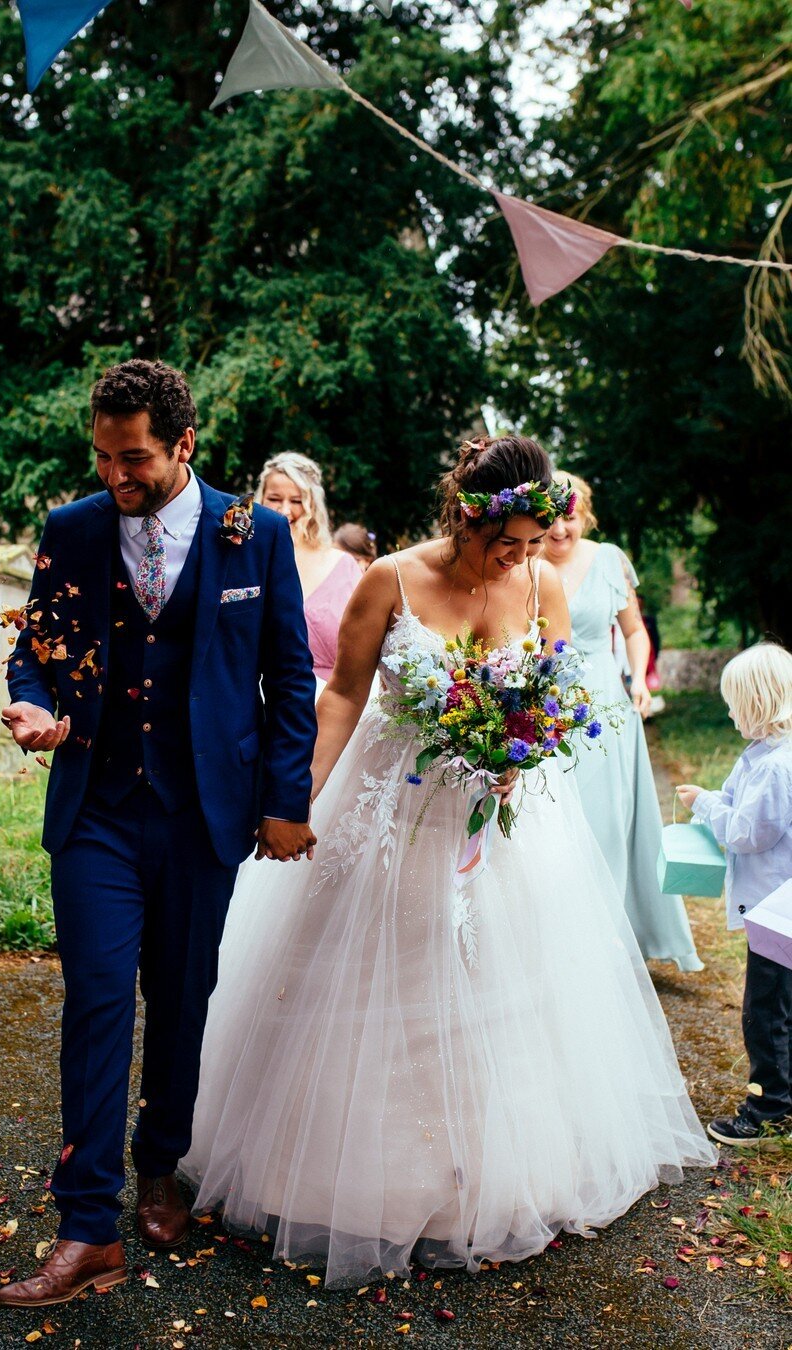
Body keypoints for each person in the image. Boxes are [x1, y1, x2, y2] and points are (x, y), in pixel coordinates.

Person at [184, 434, 714, 1286]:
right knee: (374, 974)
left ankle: (494, 1173)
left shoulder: (539, 580)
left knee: (500, 980)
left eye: (535, 544)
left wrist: (519, 754)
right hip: (389, 812)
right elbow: (345, 696)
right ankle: (355, 1179)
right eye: (508, 542)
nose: (520, 558)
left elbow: (545, 689)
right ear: (467, 518)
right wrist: (297, 798)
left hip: (496, 820)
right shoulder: (389, 578)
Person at [0, 359, 318, 1310]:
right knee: (96, 1002)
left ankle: (160, 1162)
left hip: (203, 812)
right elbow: (34, 653)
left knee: (182, 1001)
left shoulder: (254, 535)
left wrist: (283, 799)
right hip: (97, 805)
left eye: (132, 457)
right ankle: (86, 1224)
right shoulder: (72, 529)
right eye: (101, 454)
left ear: (184, 444)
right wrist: (27, 704)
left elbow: (290, 677)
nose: (114, 475)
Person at [543, 474, 701, 972]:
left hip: (604, 705)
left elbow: (633, 631)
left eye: (569, 516)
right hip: (544, 703)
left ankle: (606, 941)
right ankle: (557, 934)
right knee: (552, 820)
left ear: (584, 515)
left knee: (607, 819)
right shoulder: (522, 559)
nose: (559, 529)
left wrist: (639, 680)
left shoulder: (609, 559)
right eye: (550, 517)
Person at [677, 643, 792, 1146]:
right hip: (777, 905)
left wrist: (703, 805)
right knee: (781, 1002)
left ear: (759, 705)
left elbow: (748, 832)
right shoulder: (761, 755)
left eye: (733, 703)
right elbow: (735, 799)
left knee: (766, 1011)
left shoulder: (774, 767)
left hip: (775, 907)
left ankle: (768, 1108)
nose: (727, 712)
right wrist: (712, 798)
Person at [256, 453, 363, 683]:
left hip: (332, 703)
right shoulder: (246, 563)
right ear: (261, 500)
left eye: (296, 501)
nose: (284, 511)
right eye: (275, 498)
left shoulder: (343, 566)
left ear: (313, 505)